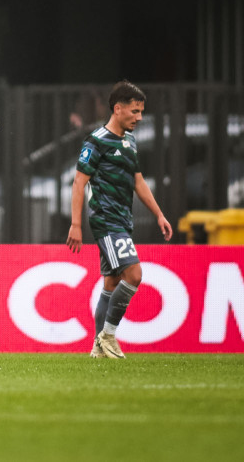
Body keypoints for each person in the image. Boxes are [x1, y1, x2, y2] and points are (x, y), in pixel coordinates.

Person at [67, 80, 173, 359]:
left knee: (111, 284)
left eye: (141, 112)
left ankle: (97, 348)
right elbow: (79, 183)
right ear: (118, 108)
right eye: (135, 111)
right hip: (106, 220)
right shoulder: (96, 141)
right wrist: (76, 224)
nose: (139, 117)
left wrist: (159, 214)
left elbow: (137, 180)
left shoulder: (129, 140)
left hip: (123, 220)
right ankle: (109, 337)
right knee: (134, 275)